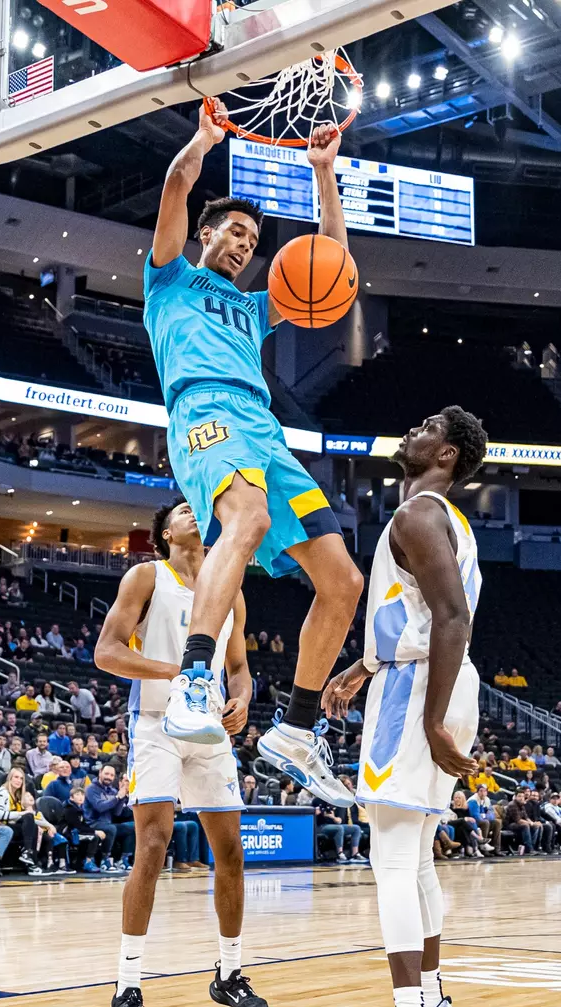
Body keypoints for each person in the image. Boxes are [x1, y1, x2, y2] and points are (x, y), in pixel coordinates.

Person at [143, 98, 360, 803]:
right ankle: (194, 679)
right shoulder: (169, 278)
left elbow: (329, 262)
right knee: (249, 521)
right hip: (203, 412)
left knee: (341, 581)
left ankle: (295, 729)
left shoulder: (254, 306)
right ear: (204, 233)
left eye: (250, 239)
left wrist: (323, 174)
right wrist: (203, 141)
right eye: (233, 232)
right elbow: (176, 183)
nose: (242, 245)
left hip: (263, 430)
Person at [321, 406, 487, 1007]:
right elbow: (425, 612)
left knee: (390, 859)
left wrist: (428, 719)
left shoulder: (417, 515)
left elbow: (450, 616)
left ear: (445, 455)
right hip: (429, 679)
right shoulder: (444, 519)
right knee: (415, 859)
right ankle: (433, 1004)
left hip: (422, 693)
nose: (408, 431)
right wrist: (368, 662)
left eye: (424, 428)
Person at [94, 501, 268, 1007]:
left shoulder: (230, 585)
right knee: (153, 844)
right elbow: (106, 652)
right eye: (182, 510)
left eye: (199, 507)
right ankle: (127, 985)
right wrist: (181, 672)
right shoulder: (147, 576)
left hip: (211, 730)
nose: (194, 511)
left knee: (231, 853)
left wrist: (242, 698)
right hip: (155, 721)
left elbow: (238, 667)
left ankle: (230, 972)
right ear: (164, 533)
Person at [0, 767, 50, 875]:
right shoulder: (1, 792)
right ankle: (27, 853)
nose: (19, 780)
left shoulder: (18, 795)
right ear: (10, 779)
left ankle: (32, 863)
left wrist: (47, 825)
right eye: (16, 777)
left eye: (21, 778)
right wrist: (20, 814)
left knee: (34, 826)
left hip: (11, 826)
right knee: (27, 817)